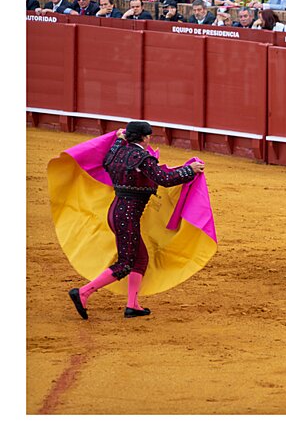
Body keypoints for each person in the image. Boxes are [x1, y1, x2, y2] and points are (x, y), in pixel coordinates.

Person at [67, 122, 205, 320]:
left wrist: (117, 141)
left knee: (140, 259)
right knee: (125, 263)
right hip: (127, 216)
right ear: (146, 137)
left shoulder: (118, 153)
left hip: (116, 212)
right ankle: (83, 292)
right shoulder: (142, 157)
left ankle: (132, 305)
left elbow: (106, 162)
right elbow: (164, 178)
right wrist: (189, 170)